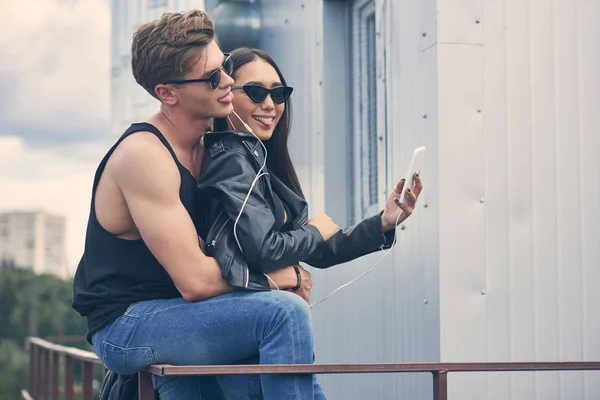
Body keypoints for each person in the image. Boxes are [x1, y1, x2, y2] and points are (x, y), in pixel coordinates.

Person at [71, 10, 422, 400]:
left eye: (223, 68)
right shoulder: (145, 156)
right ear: (167, 92)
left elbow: (274, 244)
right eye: (212, 77)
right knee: (282, 313)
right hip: (129, 322)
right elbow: (196, 282)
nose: (226, 81)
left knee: (255, 361)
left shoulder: (215, 152)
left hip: (184, 313)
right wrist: (281, 277)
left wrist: (384, 223)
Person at [198, 47, 423, 297]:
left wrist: (384, 221)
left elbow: (317, 250)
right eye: (256, 92)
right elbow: (265, 251)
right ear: (227, 95)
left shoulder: (257, 163)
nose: (270, 104)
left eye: (278, 93)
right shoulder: (232, 158)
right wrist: (313, 232)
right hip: (246, 317)